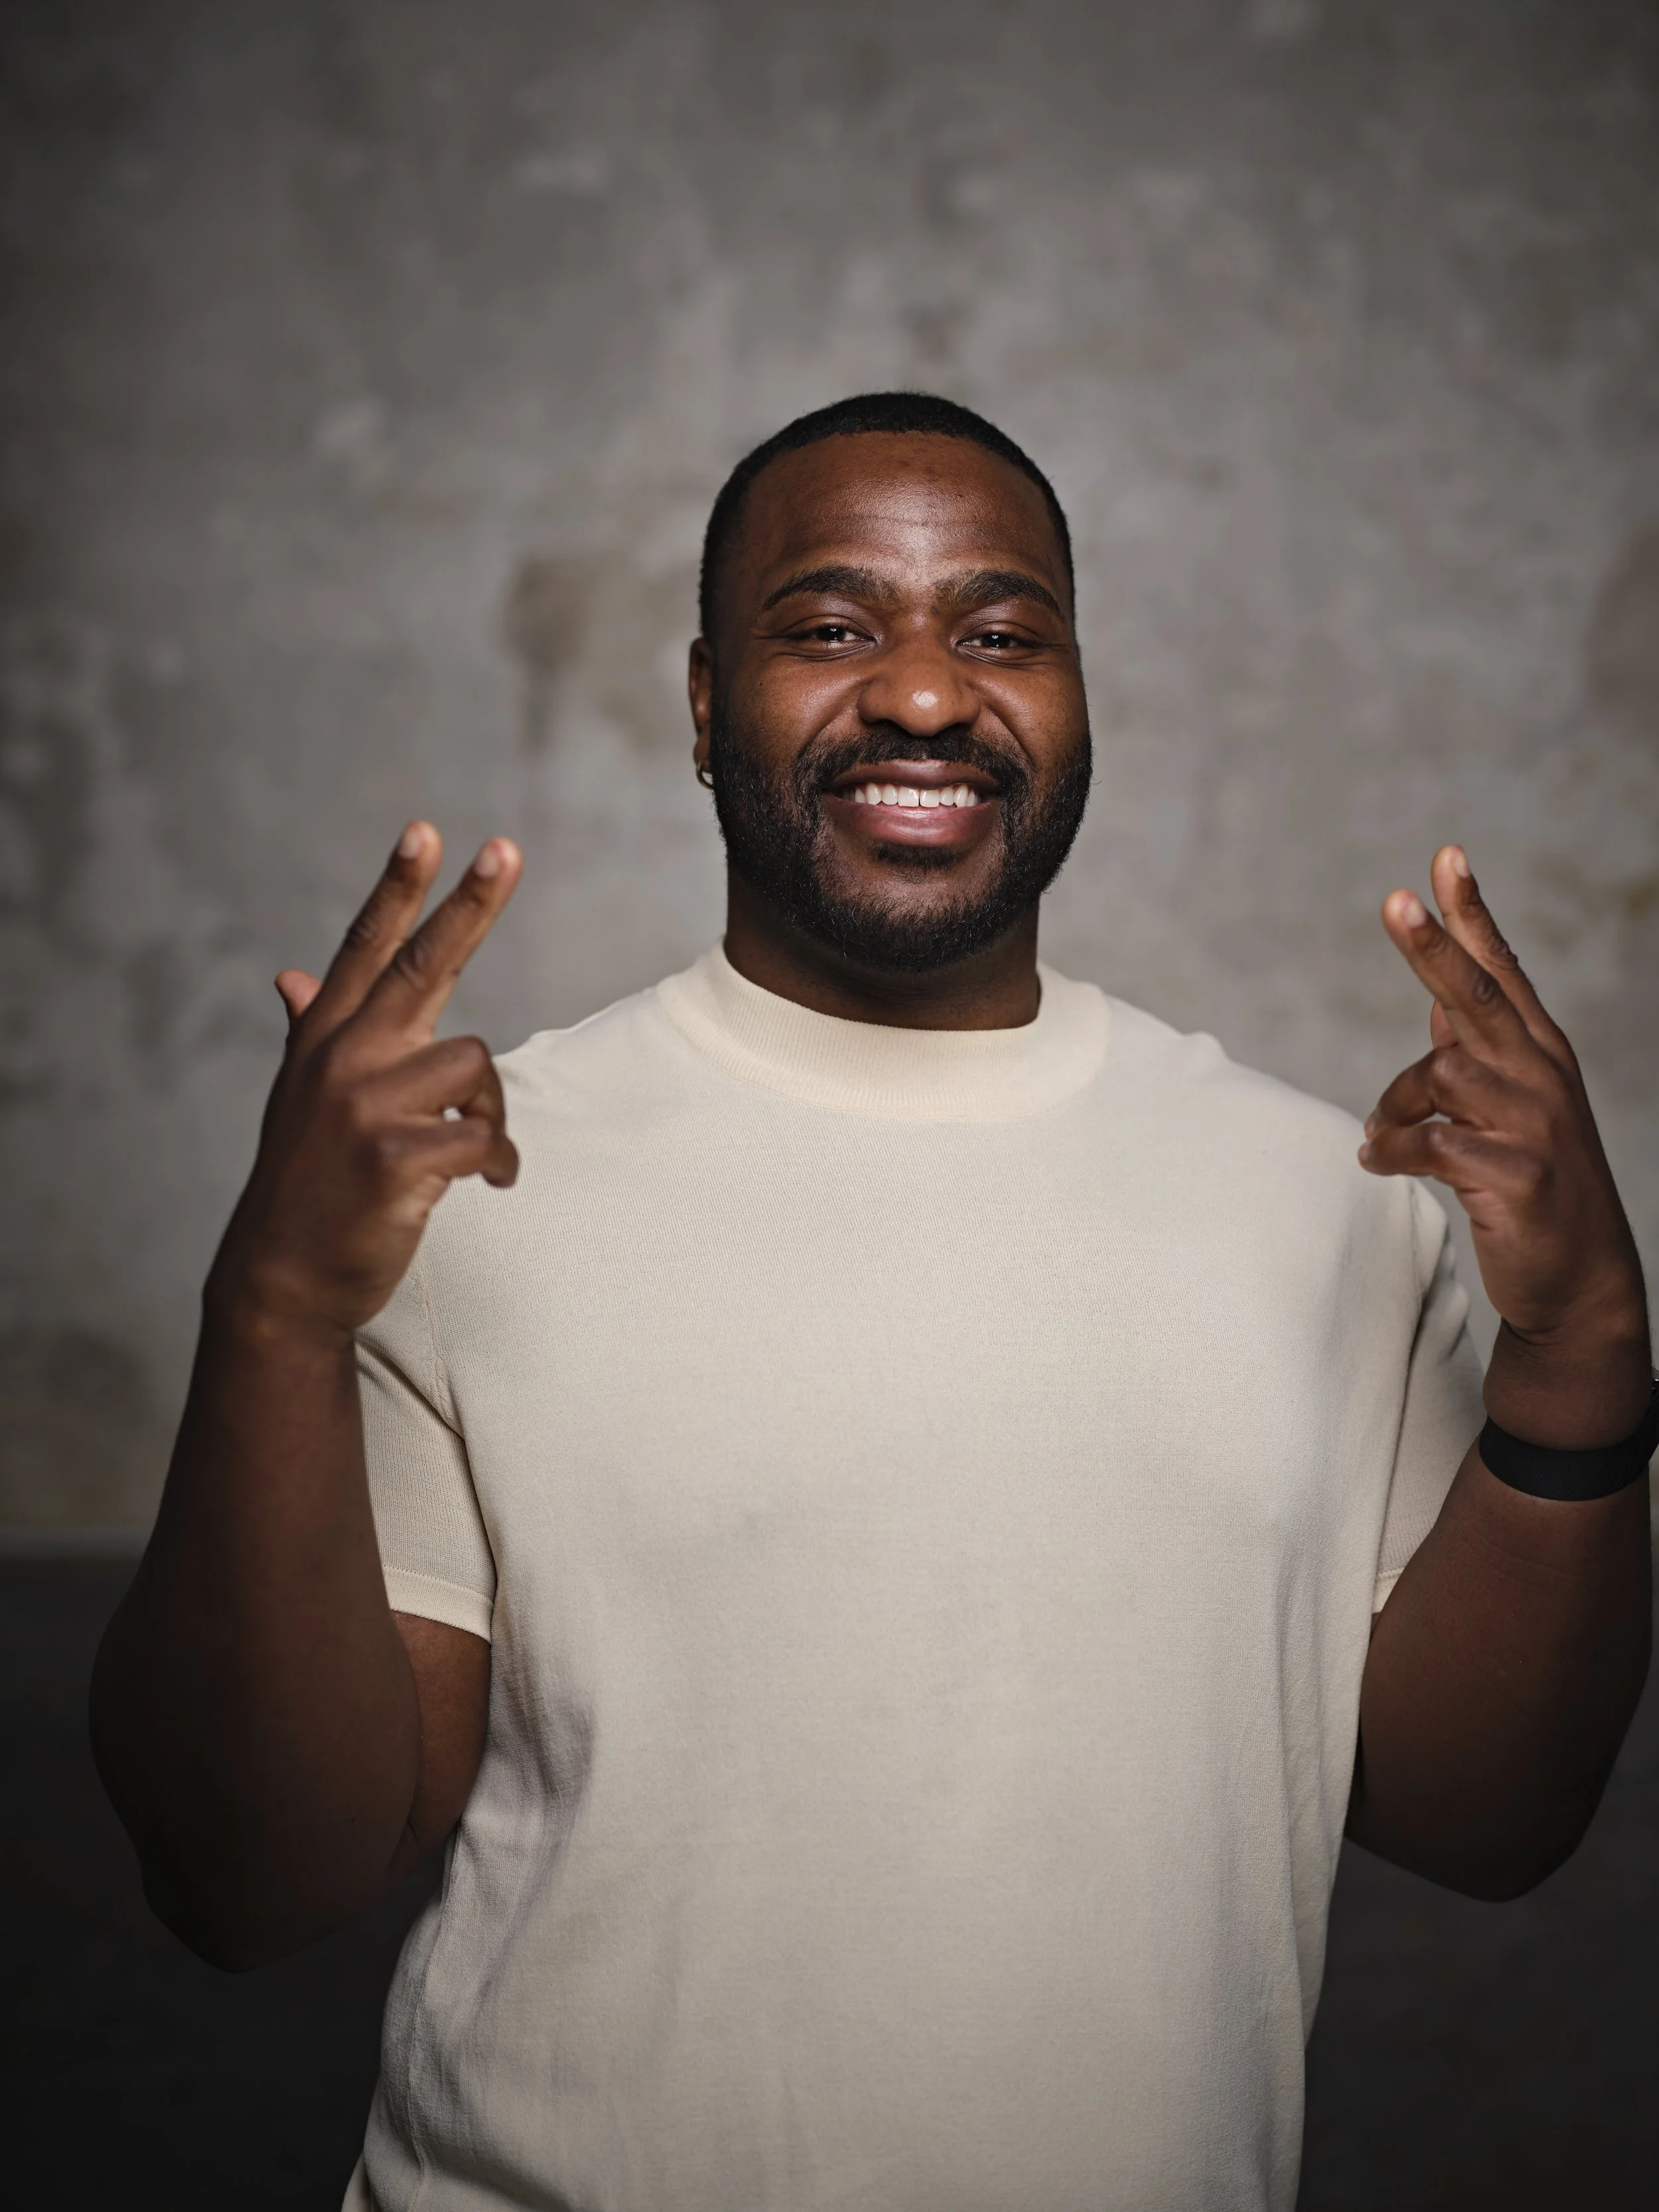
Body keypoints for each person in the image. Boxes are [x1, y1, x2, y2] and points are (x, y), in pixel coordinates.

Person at [91, 393, 1654, 2212]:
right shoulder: (468, 1184)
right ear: (697, 703)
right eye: (830, 628)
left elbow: (1480, 1820)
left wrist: (1585, 1352)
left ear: (1077, 696)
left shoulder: (1332, 1200)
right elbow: (245, 1880)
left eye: (1000, 634)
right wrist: (270, 1305)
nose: (923, 694)